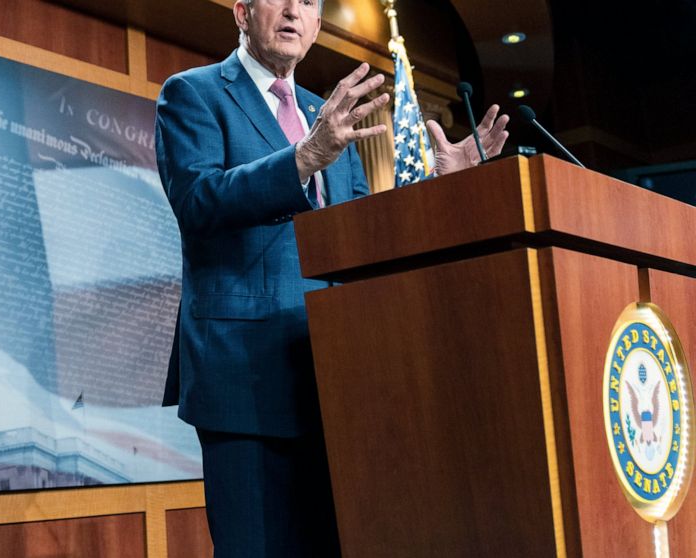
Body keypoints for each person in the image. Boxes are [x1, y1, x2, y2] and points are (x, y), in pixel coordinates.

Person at [155, 0, 509, 555]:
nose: (294, 10)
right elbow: (198, 202)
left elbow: (364, 234)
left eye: (308, 3)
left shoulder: (327, 116)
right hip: (245, 376)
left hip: (338, 378)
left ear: (318, 26)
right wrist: (302, 158)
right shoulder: (193, 93)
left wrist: (441, 189)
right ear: (242, 12)